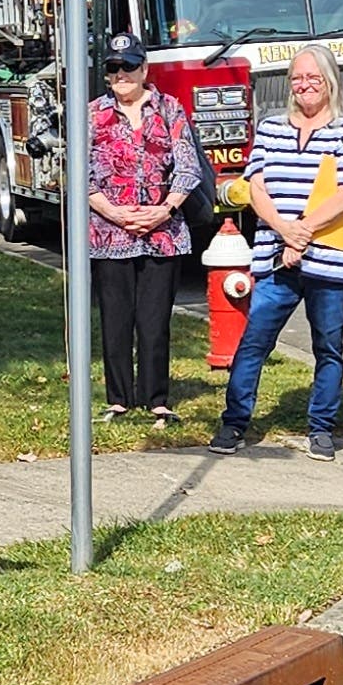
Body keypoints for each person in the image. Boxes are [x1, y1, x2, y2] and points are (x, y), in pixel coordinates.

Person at [211, 44, 343, 461]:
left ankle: (321, 428)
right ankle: (234, 423)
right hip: (274, 257)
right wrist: (284, 231)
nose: (305, 85)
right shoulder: (270, 128)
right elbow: (255, 187)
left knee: (328, 347)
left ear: (330, 81)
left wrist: (302, 233)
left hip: (330, 260)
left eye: (313, 77)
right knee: (253, 342)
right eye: (298, 78)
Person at [87, 31, 205, 425]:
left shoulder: (170, 109)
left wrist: (163, 210)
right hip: (109, 233)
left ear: (144, 69)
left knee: (154, 323)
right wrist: (116, 214)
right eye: (113, 68)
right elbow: (79, 175)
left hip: (162, 233)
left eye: (129, 66)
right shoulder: (91, 114)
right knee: (115, 320)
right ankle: (119, 399)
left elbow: (188, 168)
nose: (121, 74)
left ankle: (157, 399)